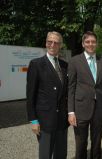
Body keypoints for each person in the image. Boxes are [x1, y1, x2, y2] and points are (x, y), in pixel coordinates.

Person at [26, 31, 69, 159]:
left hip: (62, 119)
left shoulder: (65, 65)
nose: (52, 45)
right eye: (50, 42)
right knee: (45, 154)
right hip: (45, 120)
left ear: (60, 45)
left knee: (61, 154)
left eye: (56, 42)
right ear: (46, 43)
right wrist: (33, 120)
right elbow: (30, 95)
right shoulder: (36, 64)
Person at [68, 31, 102, 159]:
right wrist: (70, 112)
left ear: (96, 43)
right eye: (87, 42)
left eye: (93, 42)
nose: (90, 44)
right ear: (83, 44)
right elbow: (71, 87)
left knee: (96, 143)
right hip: (81, 109)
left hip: (99, 109)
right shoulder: (75, 61)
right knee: (81, 144)